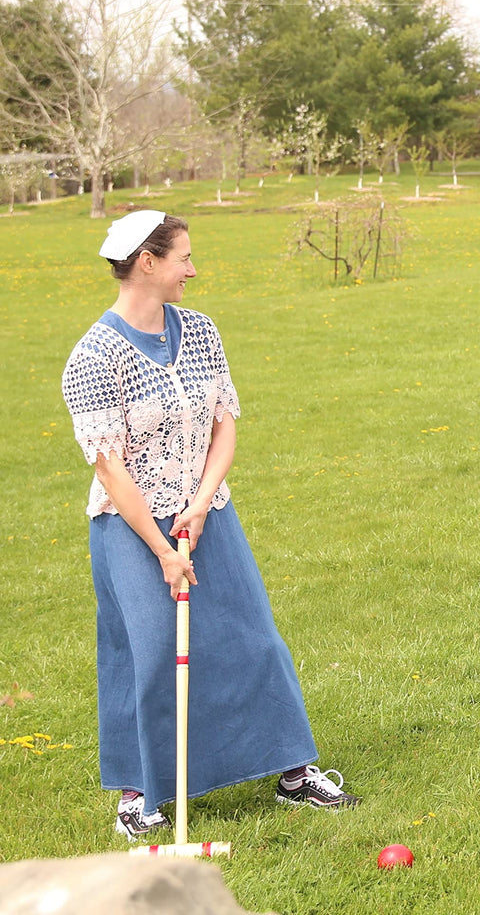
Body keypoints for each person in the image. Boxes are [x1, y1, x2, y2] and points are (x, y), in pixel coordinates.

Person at [61, 210, 359, 841]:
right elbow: (111, 469)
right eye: (183, 259)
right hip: (132, 526)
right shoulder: (93, 357)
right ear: (148, 262)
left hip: (207, 511)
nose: (193, 270)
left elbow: (225, 424)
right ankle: (140, 790)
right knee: (146, 656)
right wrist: (164, 549)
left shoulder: (199, 331)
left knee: (254, 638)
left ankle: (291, 770)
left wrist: (201, 500)